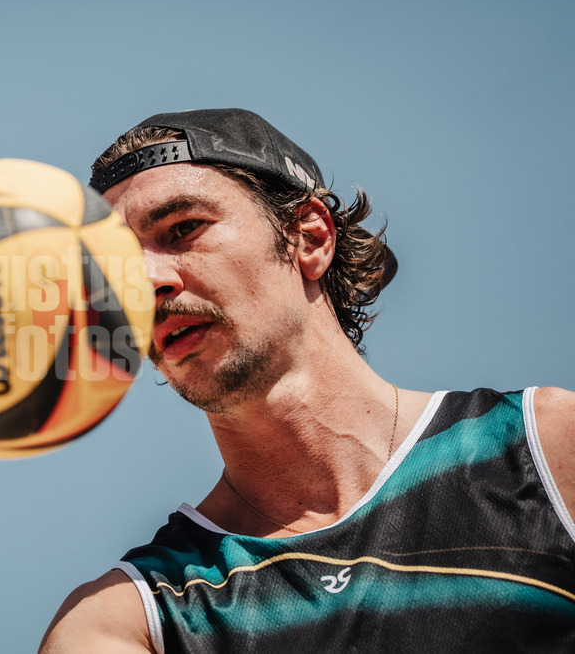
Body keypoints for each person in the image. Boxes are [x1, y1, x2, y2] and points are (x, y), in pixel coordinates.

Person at [38, 108, 575, 652]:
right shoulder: (125, 620)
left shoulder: (550, 450)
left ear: (310, 238)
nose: (147, 281)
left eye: (183, 229)